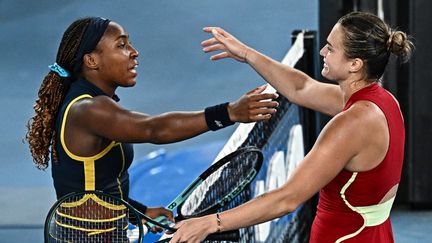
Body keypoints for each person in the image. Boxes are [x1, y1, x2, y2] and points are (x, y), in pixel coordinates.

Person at [168, 11, 414, 242]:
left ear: (355, 64)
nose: (321, 52)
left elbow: (287, 199)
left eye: (331, 48)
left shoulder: (350, 124)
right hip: (373, 234)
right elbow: (302, 88)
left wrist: (211, 223)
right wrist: (245, 53)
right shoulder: (383, 102)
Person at [25, 17, 278, 232]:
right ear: (92, 61)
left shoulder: (90, 102)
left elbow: (96, 188)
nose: (134, 52)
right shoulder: (90, 110)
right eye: (122, 45)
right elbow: (153, 128)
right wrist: (229, 113)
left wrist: (142, 212)